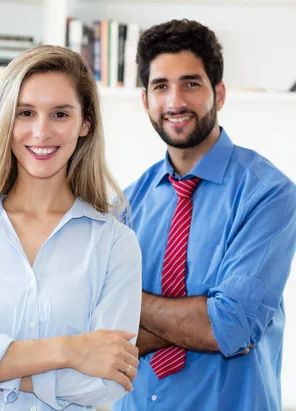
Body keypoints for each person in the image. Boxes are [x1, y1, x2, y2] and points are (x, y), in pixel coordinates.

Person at [0, 45, 142, 410]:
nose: (41, 131)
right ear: (6, 120)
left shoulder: (116, 243)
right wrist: (69, 350)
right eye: (26, 113)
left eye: (60, 114)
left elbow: (108, 381)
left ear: (85, 123)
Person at [112, 19, 296, 411]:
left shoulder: (269, 194)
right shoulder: (125, 205)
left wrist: (128, 299)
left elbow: (231, 326)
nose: (175, 101)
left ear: (219, 93)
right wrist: (197, 316)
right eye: (161, 86)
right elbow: (103, 330)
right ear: (145, 100)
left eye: (191, 83)